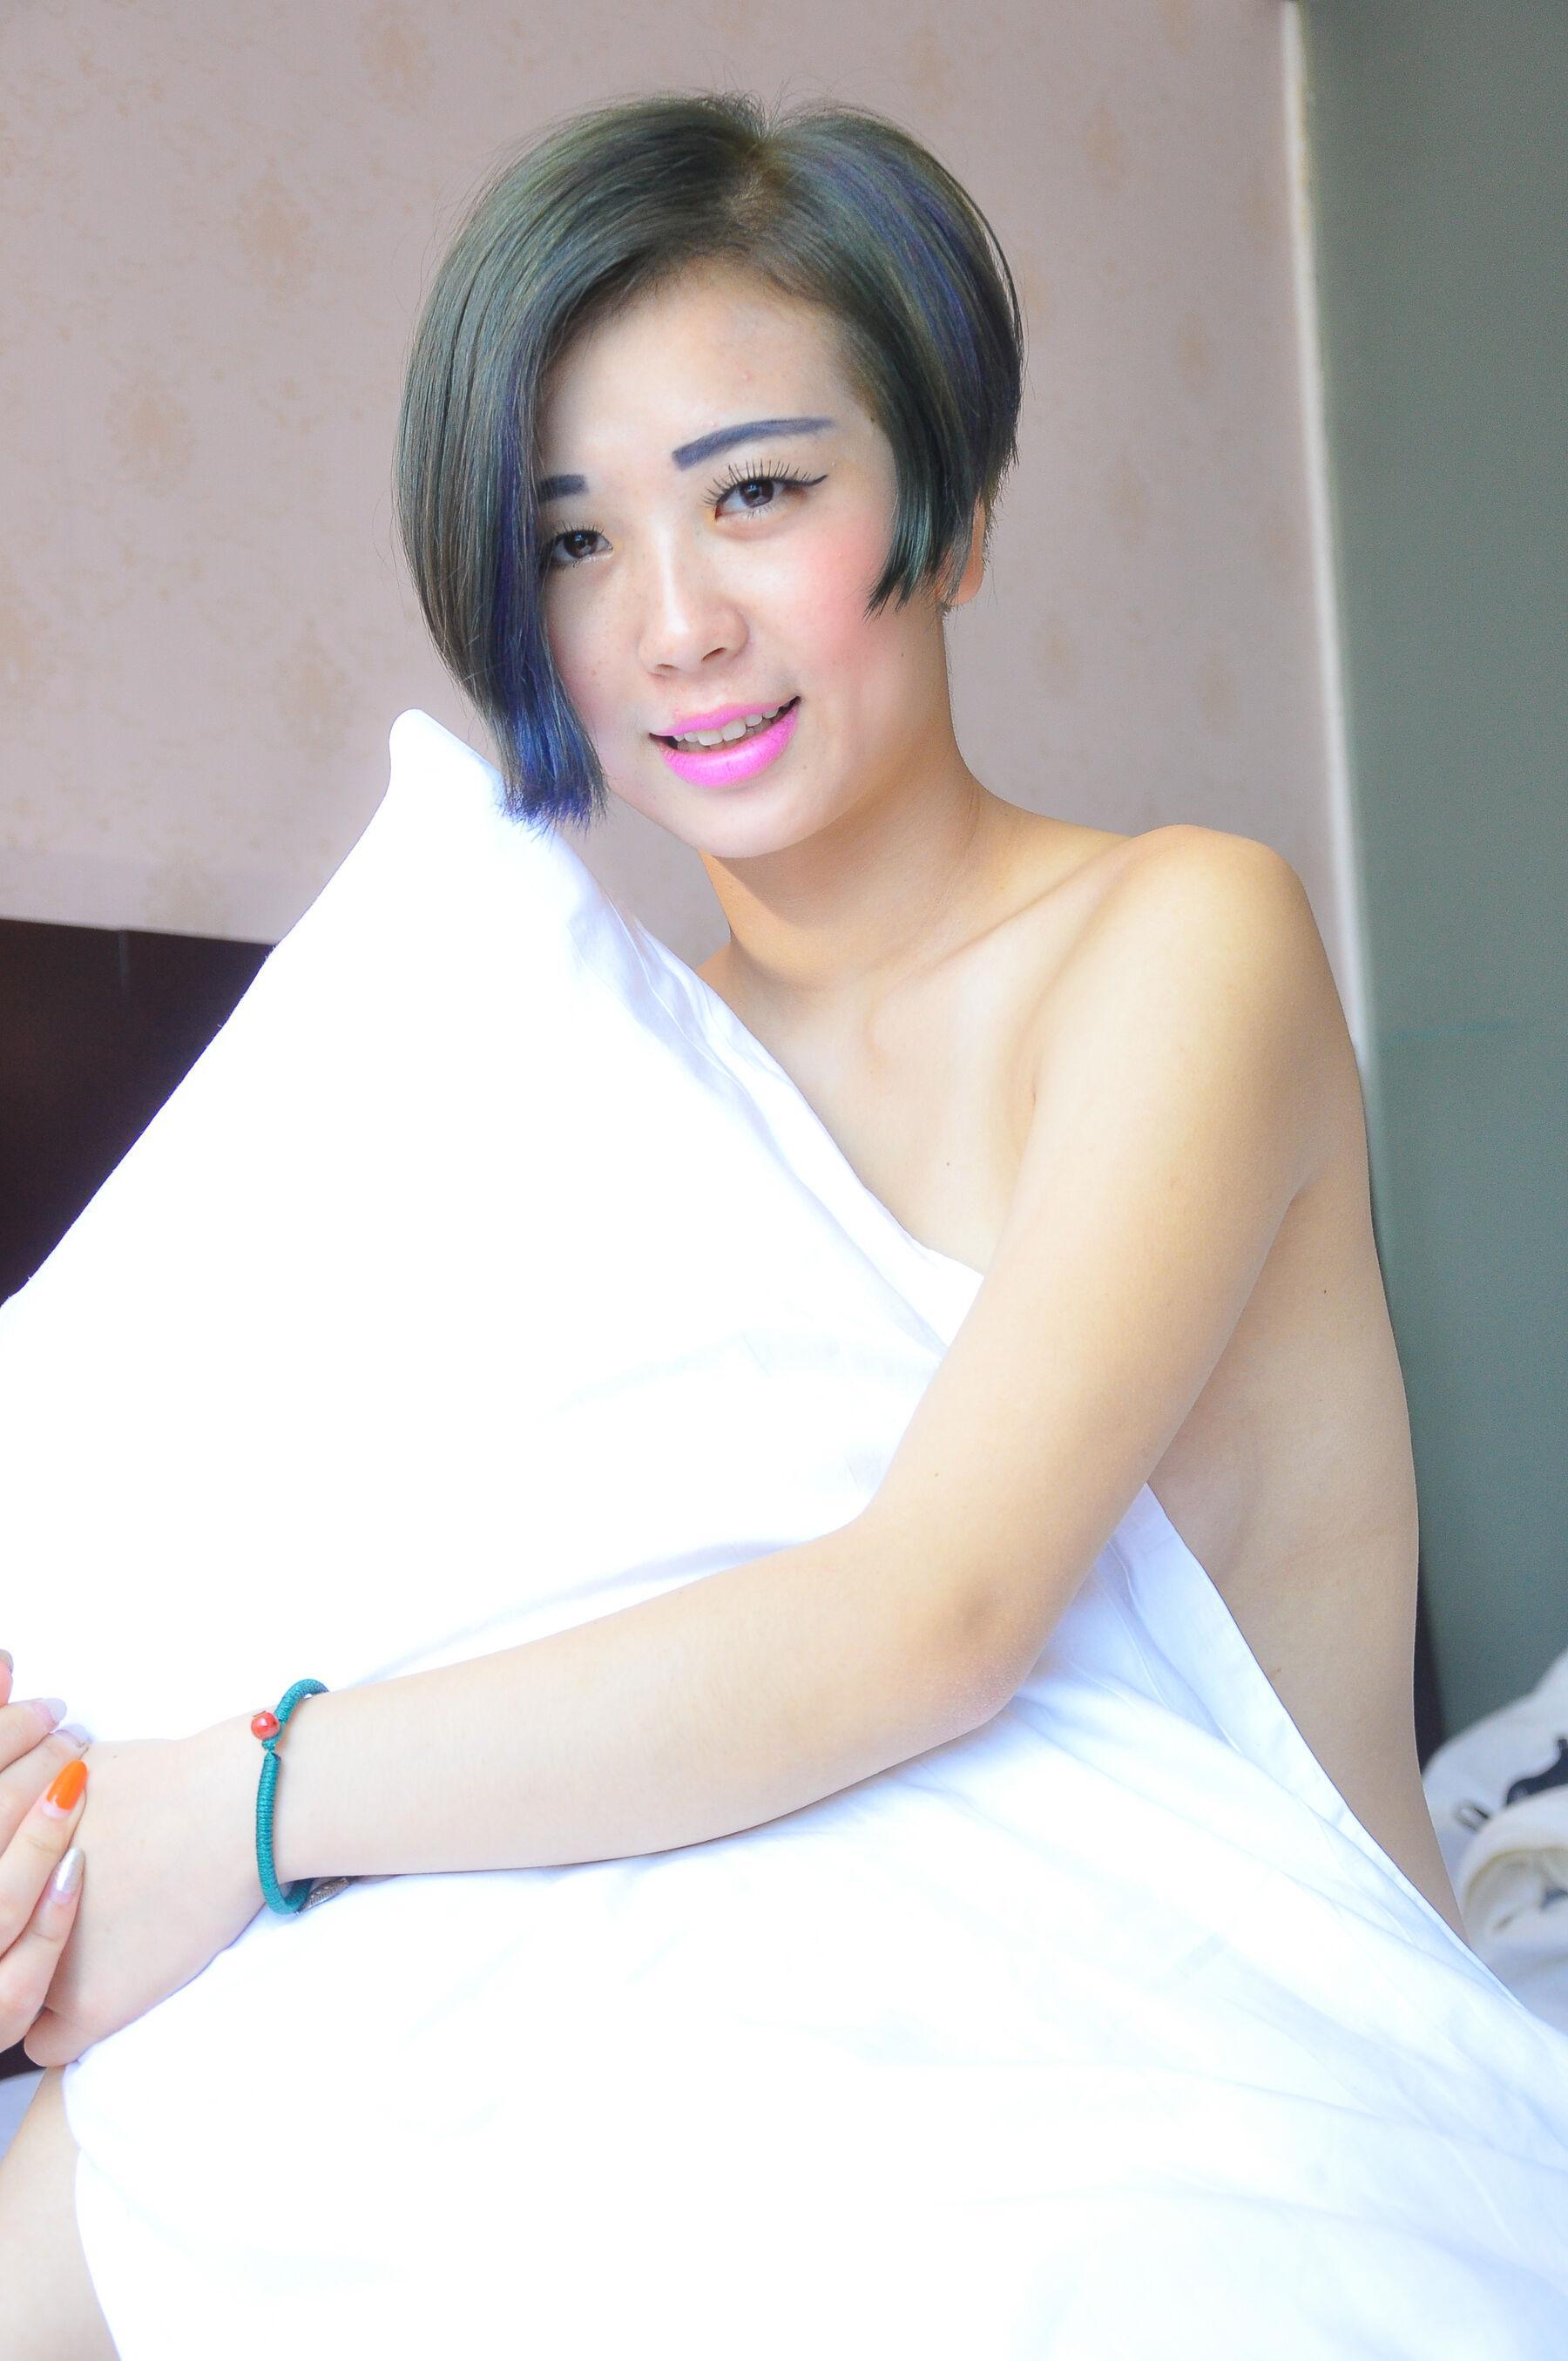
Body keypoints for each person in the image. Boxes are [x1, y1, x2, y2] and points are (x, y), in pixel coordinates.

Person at [0, 85, 1537, 2361]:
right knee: (193, 2108)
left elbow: (940, 1616)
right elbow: (478, 1614)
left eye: (757, 495)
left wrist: (247, 1803)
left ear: (950, 506)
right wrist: (63, 1831)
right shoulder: (604, 1089)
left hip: (1247, 2017)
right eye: (573, 541)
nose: (675, 626)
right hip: (781, 1982)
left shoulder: (1180, 940)